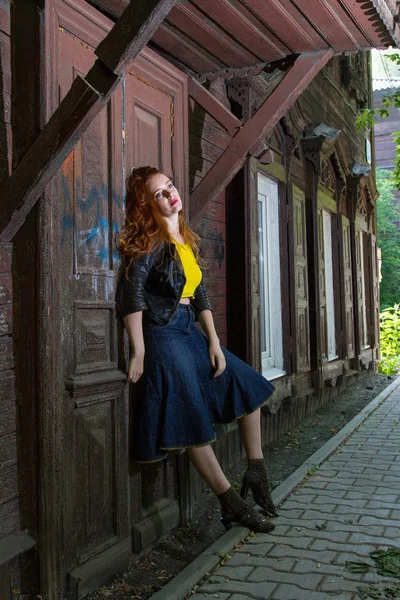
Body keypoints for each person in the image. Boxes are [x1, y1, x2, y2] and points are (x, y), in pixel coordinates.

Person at [116, 166, 278, 533]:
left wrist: (215, 343)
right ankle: (231, 503)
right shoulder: (150, 243)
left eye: (170, 186)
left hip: (190, 329)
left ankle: (256, 471)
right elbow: (131, 295)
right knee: (188, 417)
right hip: (163, 335)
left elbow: (199, 292)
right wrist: (139, 350)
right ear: (148, 204)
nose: (170, 194)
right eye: (159, 193)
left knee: (246, 385)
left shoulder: (184, 239)